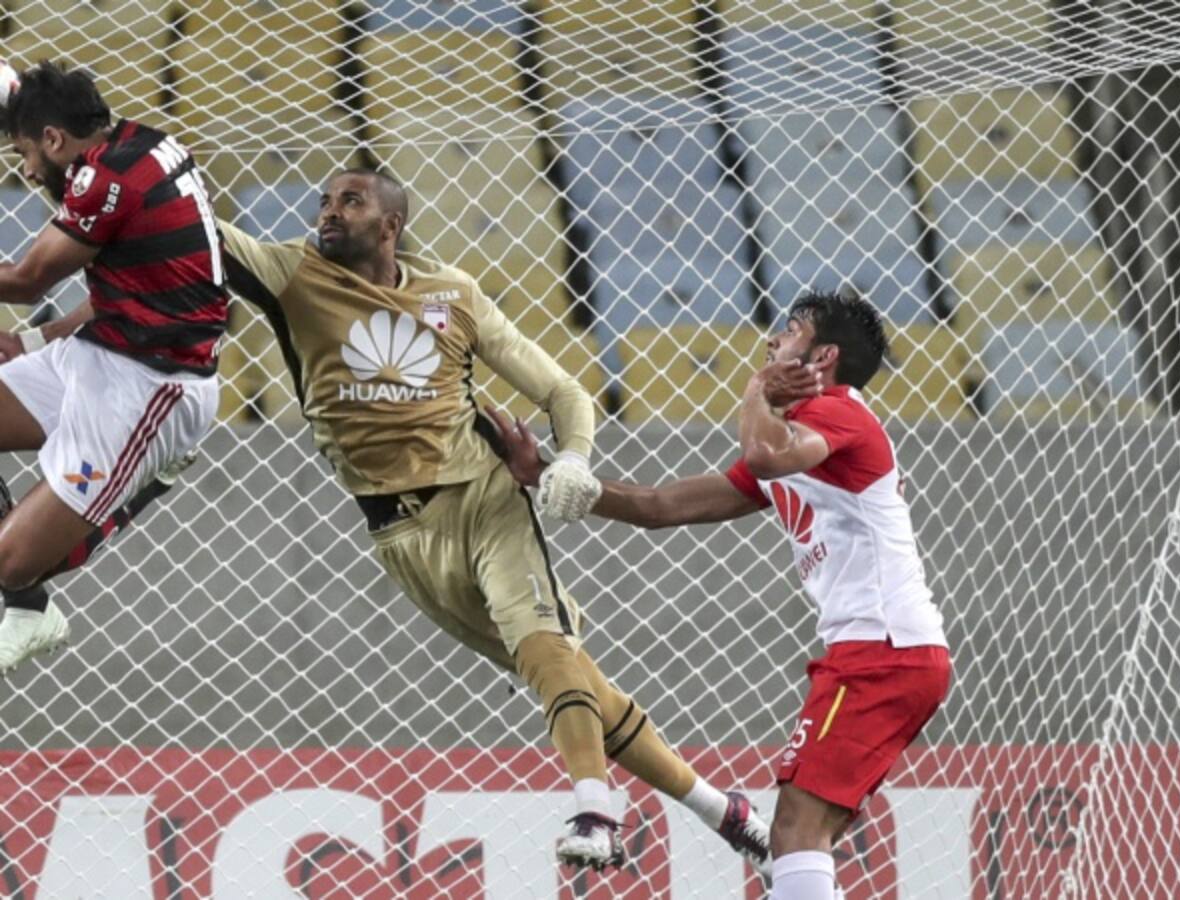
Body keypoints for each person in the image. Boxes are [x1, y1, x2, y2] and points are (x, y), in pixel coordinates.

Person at [206, 167, 771, 875]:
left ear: (390, 224)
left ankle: (597, 812)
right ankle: (726, 813)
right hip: (399, 535)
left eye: (348, 200)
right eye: (324, 199)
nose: (327, 211)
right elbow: (204, 232)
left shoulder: (454, 294)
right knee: (571, 681)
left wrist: (572, 458)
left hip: (485, 493)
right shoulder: (293, 272)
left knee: (542, 641)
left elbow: (562, 389)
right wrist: (118, 167)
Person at [488, 290, 952, 899]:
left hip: (882, 652)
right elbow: (662, 507)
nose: (773, 341)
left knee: (792, 832)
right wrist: (549, 472)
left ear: (825, 356)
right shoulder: (803, 445)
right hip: (881, 653)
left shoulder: (839, 413)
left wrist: (759, 389)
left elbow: (761, 453)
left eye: (789, 332)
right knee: (801, 838)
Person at [0, 61, 226, 674]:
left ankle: (146, 479)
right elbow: (128, 285)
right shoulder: (144, 143)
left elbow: (25, 279)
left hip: (151, 387)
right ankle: (25, 600)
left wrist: (30, 326)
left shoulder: (105, 179)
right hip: (103, 348)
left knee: (10, 561)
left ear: (53, 139)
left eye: (23, 152)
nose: (23, 171)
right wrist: (34, 342)